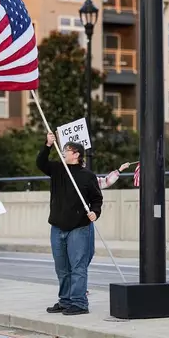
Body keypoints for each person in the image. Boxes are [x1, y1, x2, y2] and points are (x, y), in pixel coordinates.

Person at [37, 132, 103, 316]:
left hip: (79, 227)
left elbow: (97, 199)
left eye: (67, 150)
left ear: (77, 154)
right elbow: (41, 163)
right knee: (61, 267)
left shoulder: (87, 176)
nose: (64, 152)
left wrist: (95, 213)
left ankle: (79, 303)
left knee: (78, 266)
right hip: (57, 226)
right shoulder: (58, 170)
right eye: (64, 149)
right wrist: (48, 145)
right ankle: (65, 301)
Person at [86, 161, 131, 295]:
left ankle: (79, 286)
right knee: (78, 256)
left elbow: (105, 182)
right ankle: (77, 288)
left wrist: (120, 170)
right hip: (73, 220)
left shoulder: (88, 178)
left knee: (87, 253)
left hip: (87, 219)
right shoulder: (67, 176)